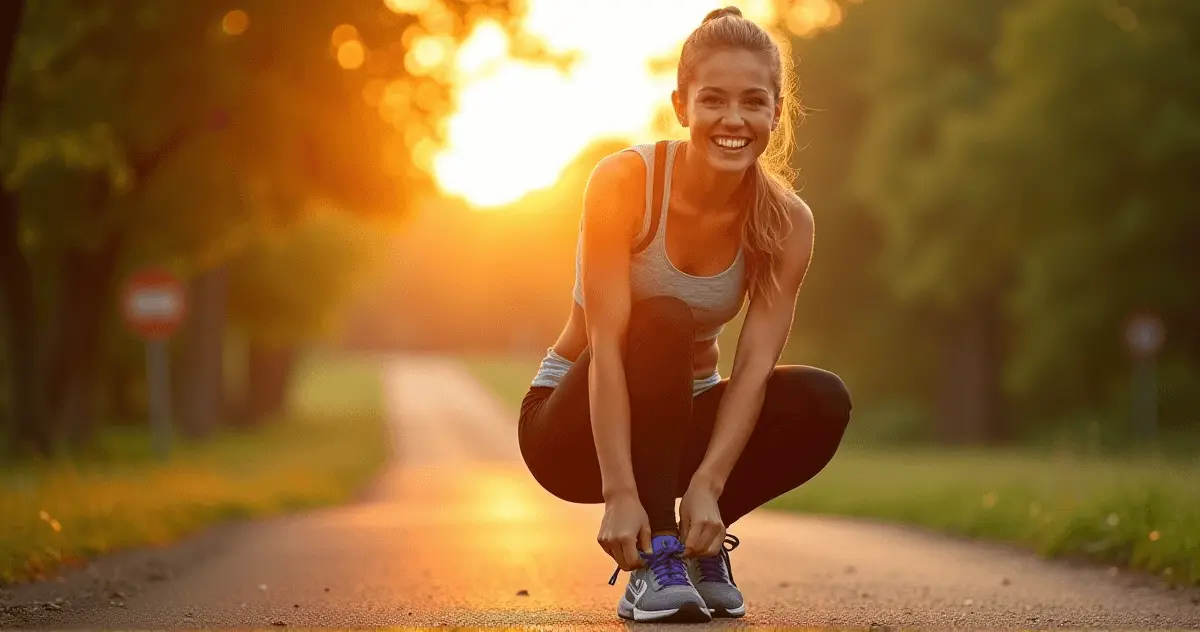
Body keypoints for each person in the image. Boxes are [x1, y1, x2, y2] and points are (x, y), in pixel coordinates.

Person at [516, 6, 852, 623]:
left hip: (683, 431)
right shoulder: (624, 182)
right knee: (662, 318)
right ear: (681, 106)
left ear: (776, 111)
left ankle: (698, 547)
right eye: (714, 100)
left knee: (821, 399)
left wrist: (709, 485)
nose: (734, 120)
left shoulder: (787, 221)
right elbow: (609, 346)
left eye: (754, 102)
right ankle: (657, 555)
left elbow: (752, 371)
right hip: (572, 426)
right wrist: (618, 493)